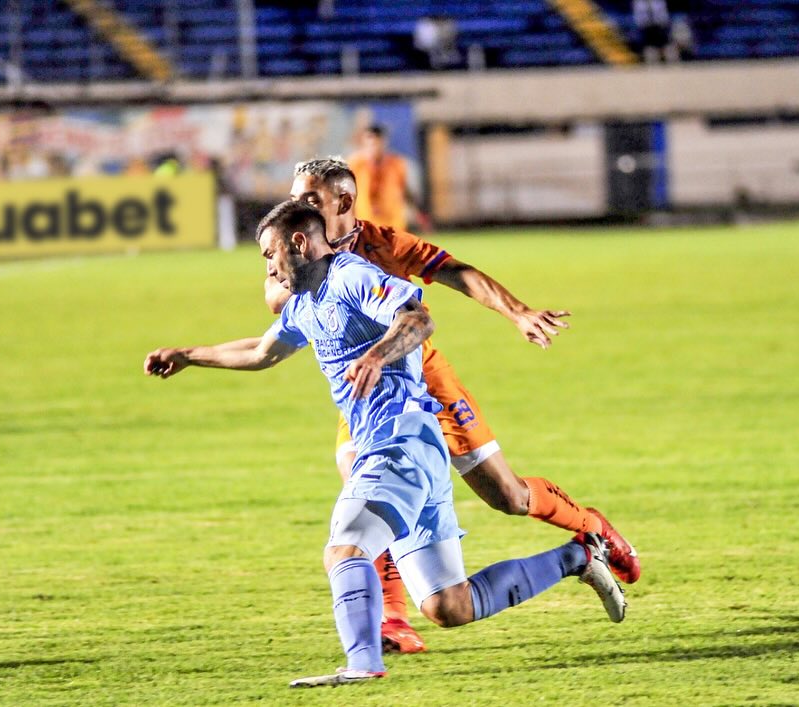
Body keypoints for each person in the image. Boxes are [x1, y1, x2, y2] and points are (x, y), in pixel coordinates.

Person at [144, 201, 627, 687]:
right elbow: (261, 351)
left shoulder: (351, 276)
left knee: (346, 550)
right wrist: (188, 355)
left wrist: (377, 355)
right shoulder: (306, 301)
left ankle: (362, 664)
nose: (268, 268)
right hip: (416, 448)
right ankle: (580, 555)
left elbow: (417, 319)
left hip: (397, 441)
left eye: (270, 254)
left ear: (298, 243)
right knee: (448, 605)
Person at [263, 158, 640, 652]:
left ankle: (591, 529)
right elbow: (276, 295)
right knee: (365, 482)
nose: (297, 206)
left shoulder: (385, 245)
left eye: (308, 200)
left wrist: (517, 311)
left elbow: (457, 272)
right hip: (368, 393)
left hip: (429, 383)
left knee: (508, 497)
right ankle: (393, 617)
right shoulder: (302, 249)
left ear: (344, 203)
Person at [346, 125, 430, 234]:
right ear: (364, 143)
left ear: (384, 142)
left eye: (377, 143)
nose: (374, 147)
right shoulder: (355, 164)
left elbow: (405, 190)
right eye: (370, 143)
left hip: (393, 224)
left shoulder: (396, 164)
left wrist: (420, 214)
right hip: (366, 224)